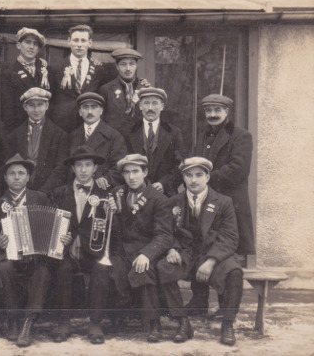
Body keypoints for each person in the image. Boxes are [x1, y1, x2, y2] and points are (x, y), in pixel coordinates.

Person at [158, 157, 243, 345]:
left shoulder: (223, 202)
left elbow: (230, 238)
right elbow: (165, 232)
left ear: (207, 177)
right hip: (186, 255)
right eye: (188, 175)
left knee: (235, 272)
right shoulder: (173, 202)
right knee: (164, 268)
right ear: (183, 178)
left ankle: (228, 324)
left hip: (213, 254)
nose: (193, 180)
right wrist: (171, 248)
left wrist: (211, 261)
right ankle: (182, 321)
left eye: (198, 175)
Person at [188, 94, 254, 314]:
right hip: (207, 204)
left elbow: (238, 169)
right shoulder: (202, 137)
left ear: (227, 112)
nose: (213, 115)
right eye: (209, 111)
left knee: (225, 254)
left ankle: (226, 308)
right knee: (201, 246)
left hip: (230, 206)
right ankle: (199, 303)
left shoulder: (241, 136)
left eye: (218, 110)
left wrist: (207, 180)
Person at [104, 154, 174, 343]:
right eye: (126, 172)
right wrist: (112, 214)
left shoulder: (158, 198)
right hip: (122, 250)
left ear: (145, 172)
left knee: (144, 271)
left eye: (136, 171)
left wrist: (146, 254)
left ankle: (153, 323)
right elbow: (113, 229)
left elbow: (164, 235)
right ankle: (117, 316)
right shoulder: (116, 194)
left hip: (147, 250)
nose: (131, 177)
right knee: (111, 269)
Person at [49, 146, 111, 343]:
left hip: (94, 250)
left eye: (88, 165)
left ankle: (95, 322)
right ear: (73, 169)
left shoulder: (105, 192)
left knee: (100, 270)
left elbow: (110, 226)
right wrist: (62, 237)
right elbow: (53, 222)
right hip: (68, 251)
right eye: (79, 166)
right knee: (62, 269)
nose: (83, 170)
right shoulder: (59, 193)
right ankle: (64, 321)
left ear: (95, 169)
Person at [0, 154, 52, 347]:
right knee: (5, 268)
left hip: (34, 256)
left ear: (28, 177)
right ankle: (13, 319)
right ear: (5, 178)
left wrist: (59, 239)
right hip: (8, 255)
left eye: (21, 173)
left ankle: (28, 322)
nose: (17, 177)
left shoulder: (40, 198)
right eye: (12, 174)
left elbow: (50, 225)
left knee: (42, 270)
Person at [125, 87, 186, 197]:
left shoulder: (174, 132)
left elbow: (180, 165)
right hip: (136, 194)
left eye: (155, 103)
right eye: (146, 103)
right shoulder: (129, 132)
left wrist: (164, 184)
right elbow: (123, 163)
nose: (150, 108)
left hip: (165, 195)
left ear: (161, 106)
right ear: (140, 106)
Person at [7, 87, 68, 194]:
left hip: (48, 193)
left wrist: (43, 192)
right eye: (31, 105)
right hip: (20, 192)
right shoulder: (14, 136)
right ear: (25, 107)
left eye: (40, 105)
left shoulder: (59, 135)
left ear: (47, 106)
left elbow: (60, 168)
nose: (36, 110)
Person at [48, 24, 106, 133]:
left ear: (90, 43)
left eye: (83, 41)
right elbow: (51, 98)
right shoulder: (56, 67)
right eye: (76, 40)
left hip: (89, 123)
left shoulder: (99, 69)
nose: (79, 45)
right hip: (62, 125)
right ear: (69, 41)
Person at [69, 92, 127, 191]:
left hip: (101, 190)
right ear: (80, 112)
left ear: (101, 111)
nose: (89, 111)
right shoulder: (72, 136)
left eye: (94, 107)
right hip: (75, 189)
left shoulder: (113, 136)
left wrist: (104, 179)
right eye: (85, 107)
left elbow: (120, 167)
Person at [1, 28, 51, 132]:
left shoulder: (44, 69)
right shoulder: (9, 72)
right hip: (20, 129)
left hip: (43, 128)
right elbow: (7, 110)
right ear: (19, 45)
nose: (31, 47)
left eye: (35, 44)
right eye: (28, 42)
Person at [98, 48, 150, 136]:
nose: (128, 69)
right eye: (123, 64)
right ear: (117, 66)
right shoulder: (106, 89)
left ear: (136, 66)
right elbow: (101, 120)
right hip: (114, 140)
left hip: (139, 140)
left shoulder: (145, 89)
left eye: (131, 64)